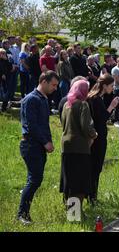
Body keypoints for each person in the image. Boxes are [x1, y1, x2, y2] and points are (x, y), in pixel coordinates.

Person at [17, 71, 59, 225]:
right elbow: (31, 125)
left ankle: (25, 213)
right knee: (34, 179)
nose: (55, 88)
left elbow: (44, 125)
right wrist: (45, 141)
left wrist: (48, 140)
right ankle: (22, 214)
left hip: (39, 145)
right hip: (31, 144)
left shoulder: (43, 99)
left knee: (36, 179)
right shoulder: (31, 99)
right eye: (53, 84)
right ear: (44, 81)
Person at [60, 80, 97, 212]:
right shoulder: (83, 104)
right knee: (80, 183)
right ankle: (75, 214)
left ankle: (69, 211)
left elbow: (63, 123)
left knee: (69, 181)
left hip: (66, 146)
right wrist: (94, 135)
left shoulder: (66, 105)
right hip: (80, 147)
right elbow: (86, 126)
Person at [87, 74, 119, 202]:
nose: (113, 88)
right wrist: (111, 107)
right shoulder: (95, 99)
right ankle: (92, 197)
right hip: (97, 138)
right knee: (95, 167)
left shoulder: (96, 98)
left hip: (97, 136)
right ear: (104, 86)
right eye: (111, 86)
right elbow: (100, 119)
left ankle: (92, 195)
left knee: (95, 168)